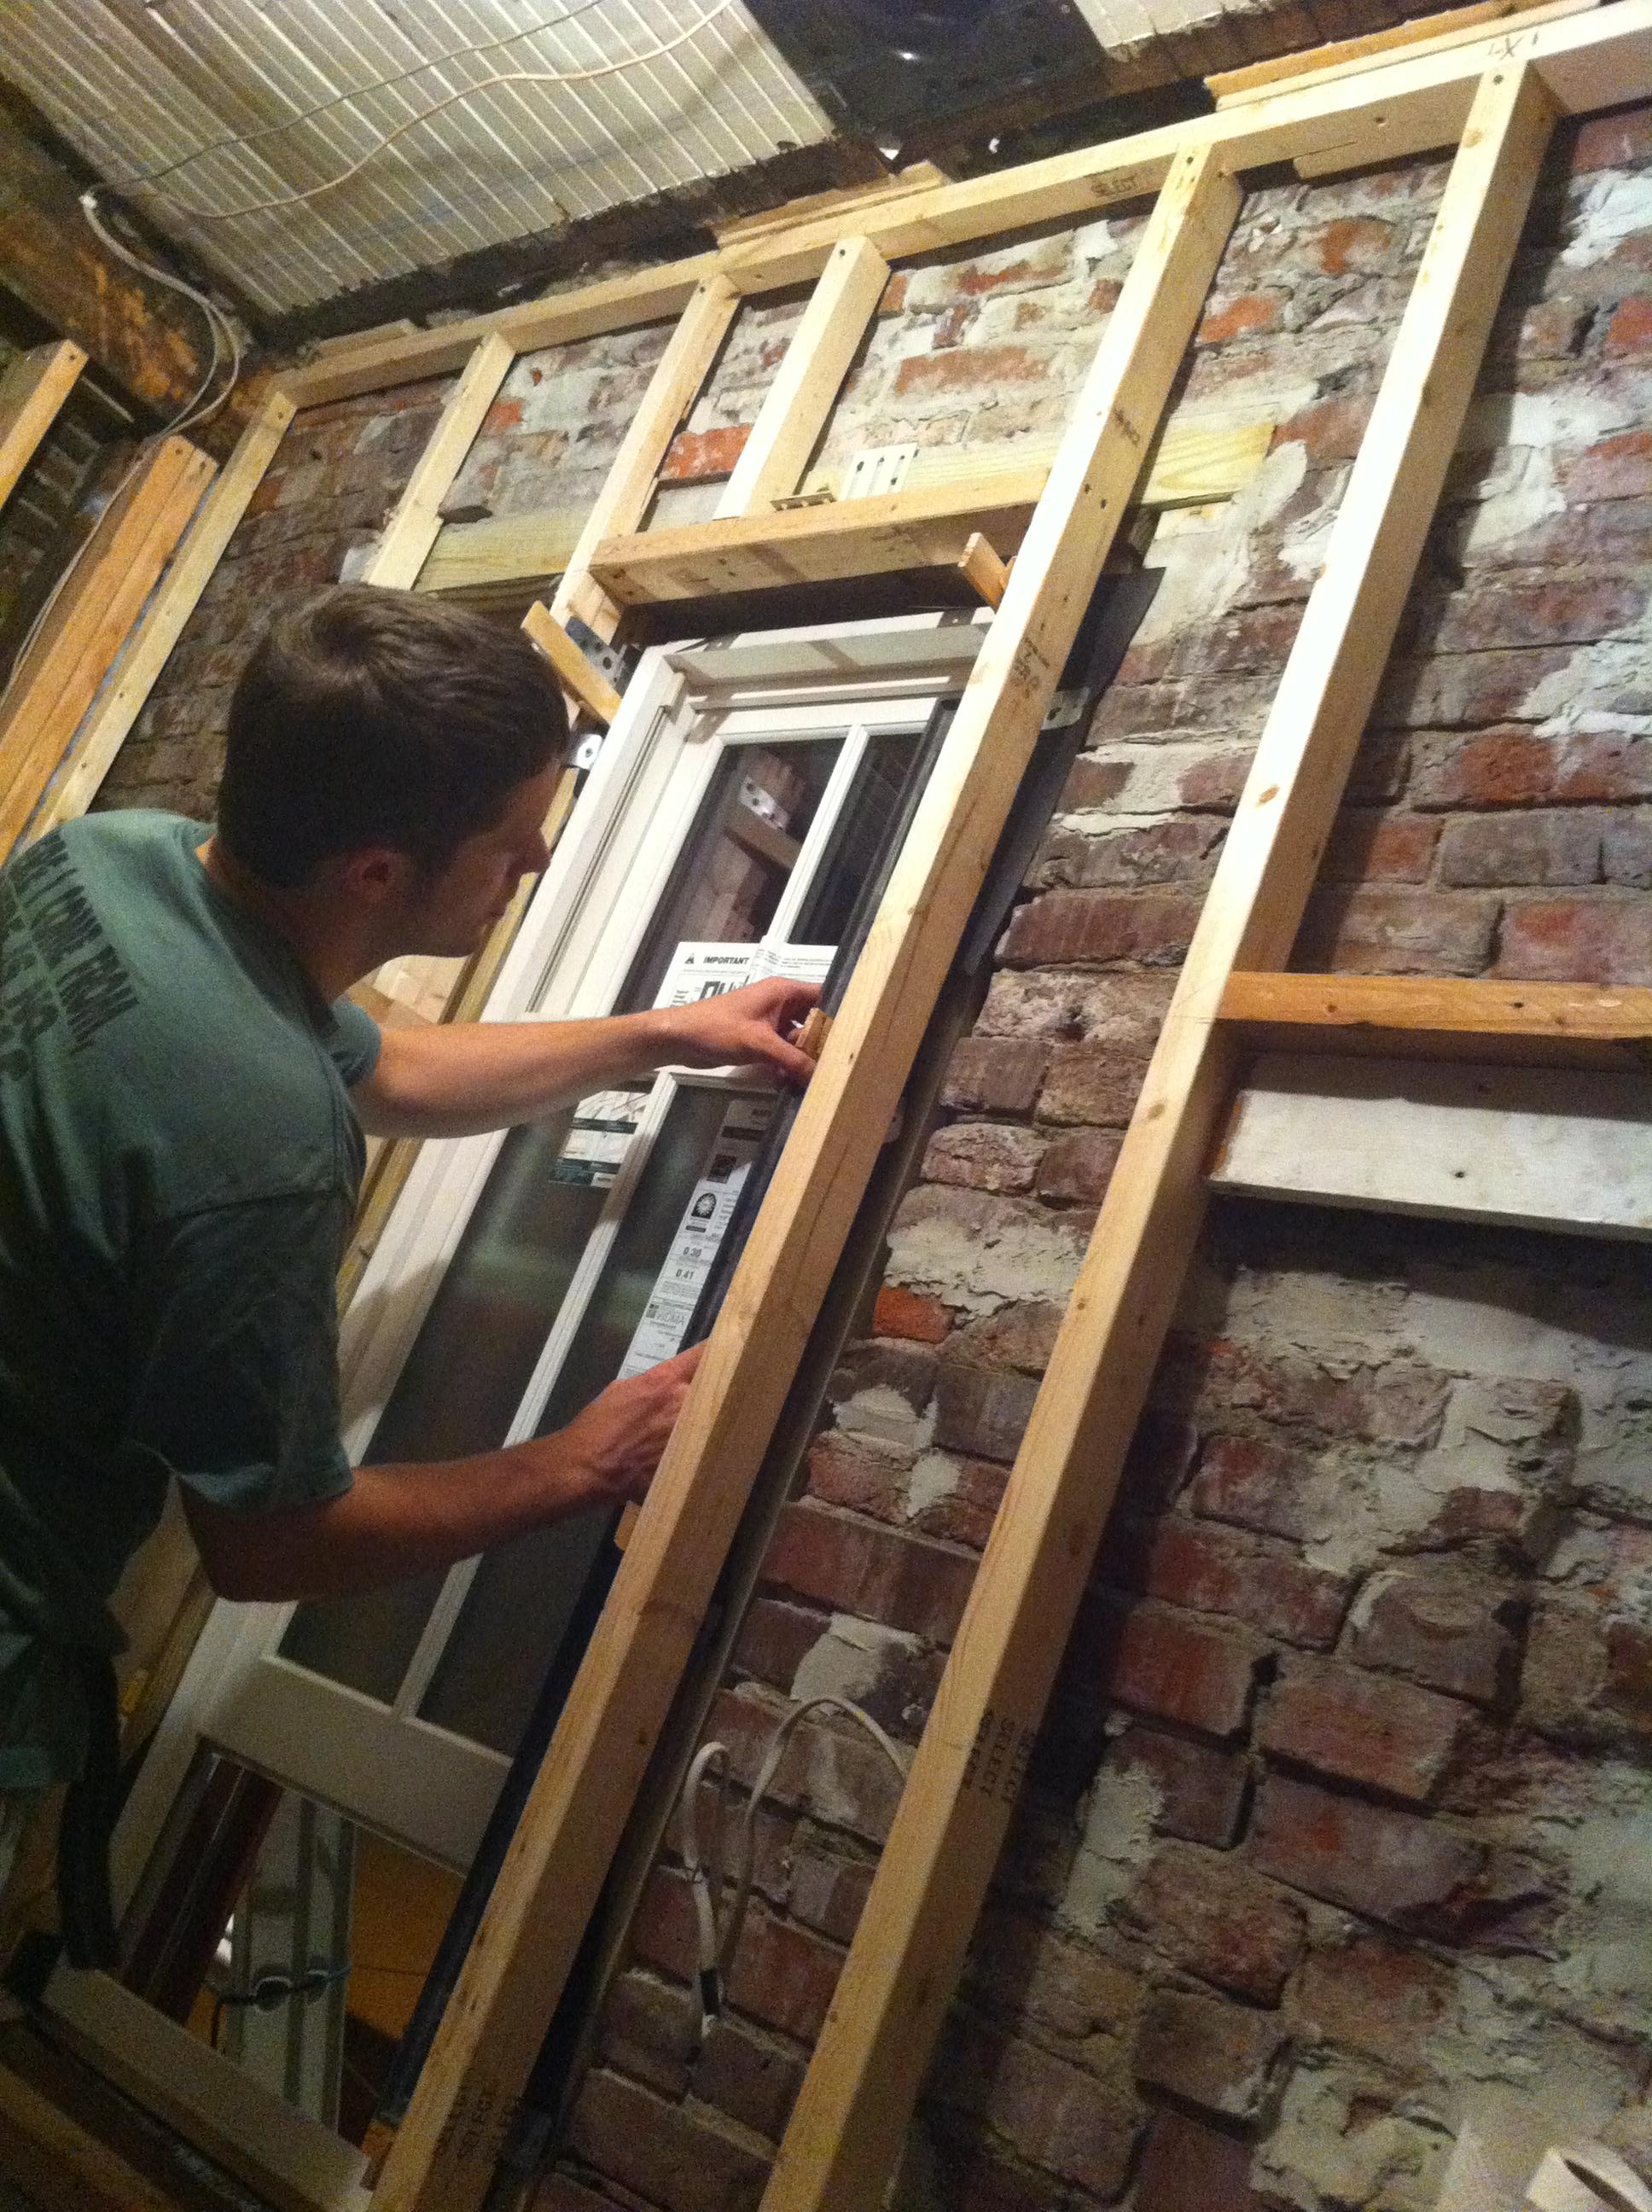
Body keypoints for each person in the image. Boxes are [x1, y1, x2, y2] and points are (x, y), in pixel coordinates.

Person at [0, 585, 818, 1956]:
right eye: (511, 836)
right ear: (379, 872)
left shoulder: (114, 860)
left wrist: (664, 1035)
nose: (540, 857)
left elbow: (388, 1069)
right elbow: (269, 1543)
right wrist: (577, 1463)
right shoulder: (262, 1152)